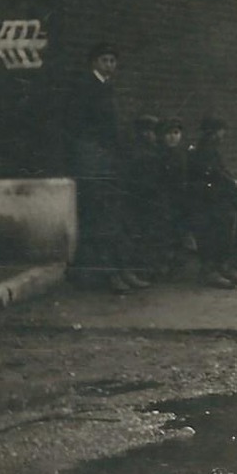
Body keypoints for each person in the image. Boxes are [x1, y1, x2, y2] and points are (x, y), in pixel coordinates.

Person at [65, 42, 144, 294]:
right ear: (94, 63)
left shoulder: (106, 88)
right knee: (99, 218)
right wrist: (93, 155)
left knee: (115, 216)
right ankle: (107, 276)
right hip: (93, 163)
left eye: (112, 61)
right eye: (104, 60)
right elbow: (81, 128)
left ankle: (121, 271)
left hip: (107, 162)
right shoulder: (86, 88)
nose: (110, 65)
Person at [186, 117, 237, 288]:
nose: (222, 135)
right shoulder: (201, 151)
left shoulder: (212, 149)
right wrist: (231, 182)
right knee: (210, 233)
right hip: (204, 199)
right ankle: (209, 272)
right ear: (213, 133)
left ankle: (222, 267)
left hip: (216, 197)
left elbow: (221, 171)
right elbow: (212, 173)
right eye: (220, 131)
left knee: (225, 227)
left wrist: (232, 181)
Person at [120, 115, 163, 284]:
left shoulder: (151, 150)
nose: (153, 135)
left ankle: (145, 270)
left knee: (147, 235)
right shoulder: (139, 153)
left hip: (148, 199)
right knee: (137, 235)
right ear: (144, 133)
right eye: (151, 132)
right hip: (139, 200)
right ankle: (133, 272)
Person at [156, 117, 192, 279]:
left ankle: (177, 266)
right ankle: (162, 265)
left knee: (180, 231)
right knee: (164, 232)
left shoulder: (183, 155)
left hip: (180, 199)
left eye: (176, 133)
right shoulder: (158, 155)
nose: (173, 137)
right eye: (168, 134)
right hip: (163, 199)